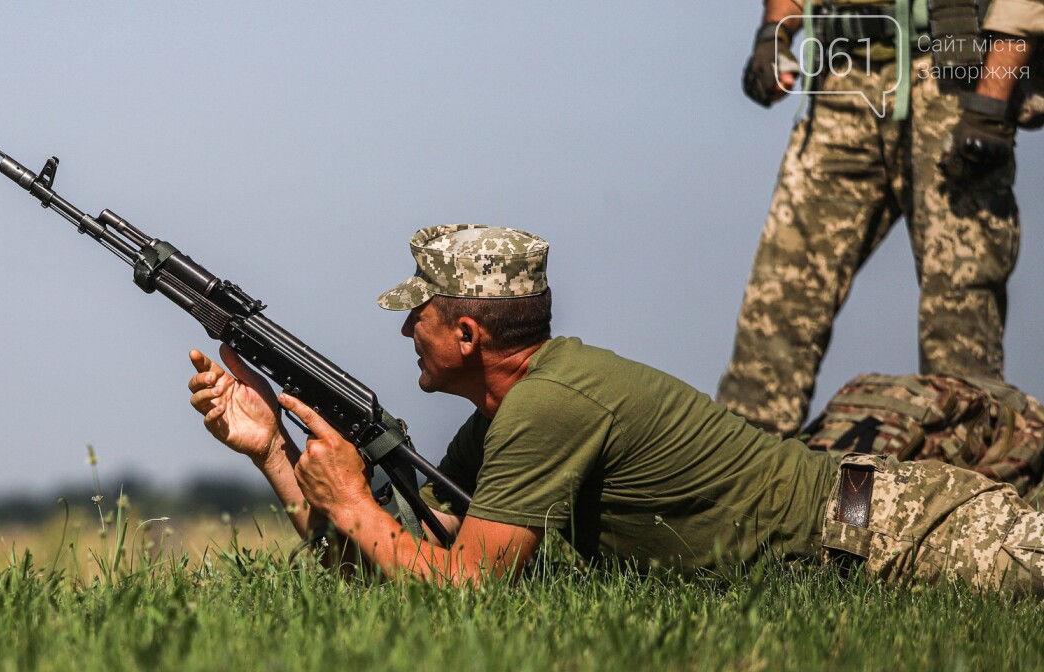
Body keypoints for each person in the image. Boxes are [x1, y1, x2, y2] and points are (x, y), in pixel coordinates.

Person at [187, 225, 1044, 595]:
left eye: (423, 311)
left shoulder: (548, 408)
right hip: (855, 541)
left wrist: (357, 503)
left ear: (471, 331)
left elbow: (465, 592)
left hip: (899, 531)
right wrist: (271, 451)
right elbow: (397, 566)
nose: (408, 325)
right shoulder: (502, 419)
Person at [716, 0, 1037, 437]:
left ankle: (962, 487)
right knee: (778, 302)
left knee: (959, 323)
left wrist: (990, 107)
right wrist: (774, 35)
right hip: (842, 81)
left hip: (950, 80)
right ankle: (737, 480)